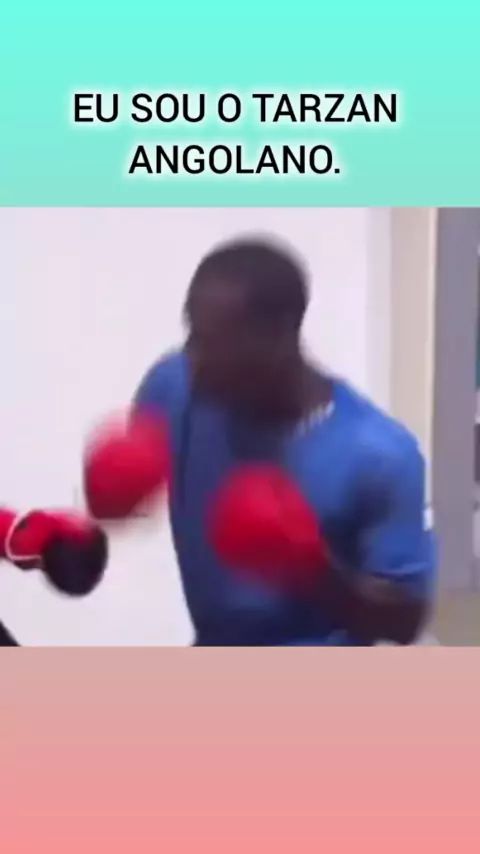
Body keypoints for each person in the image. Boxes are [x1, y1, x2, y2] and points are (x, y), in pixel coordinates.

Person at [131, 238, 435, 646]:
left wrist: (312, 570)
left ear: (280, 334)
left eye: (221, 344)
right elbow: (127, 502)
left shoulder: (378, 455)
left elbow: (405, 622)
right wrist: (74, 549)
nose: (197, 363)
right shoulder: (173, 389)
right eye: (194, 335)